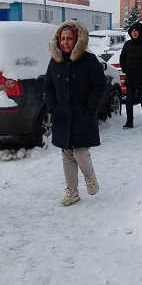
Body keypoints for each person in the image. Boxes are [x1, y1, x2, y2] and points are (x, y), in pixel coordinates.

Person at [44, 21, 106, 207]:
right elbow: (48, 87)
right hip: (62, 116)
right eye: (62, 39)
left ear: (77, 39)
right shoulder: (55, 62)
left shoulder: (89, 61)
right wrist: (53, 106)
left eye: (69, 38)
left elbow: (99, 86)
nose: (65, 42)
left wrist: (90, 107)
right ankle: (72, 190)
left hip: (82, 115)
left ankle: (89, 176)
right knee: (67, 153)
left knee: (80, 152)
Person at [119, 21, 142, 128]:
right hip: (130, 76)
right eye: (132, 31)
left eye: (136, 31)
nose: (134, 33)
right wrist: (124, 68)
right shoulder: (127, 44)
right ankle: (129, 121)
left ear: (140, 31)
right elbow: (122, 58)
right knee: (129, 100)